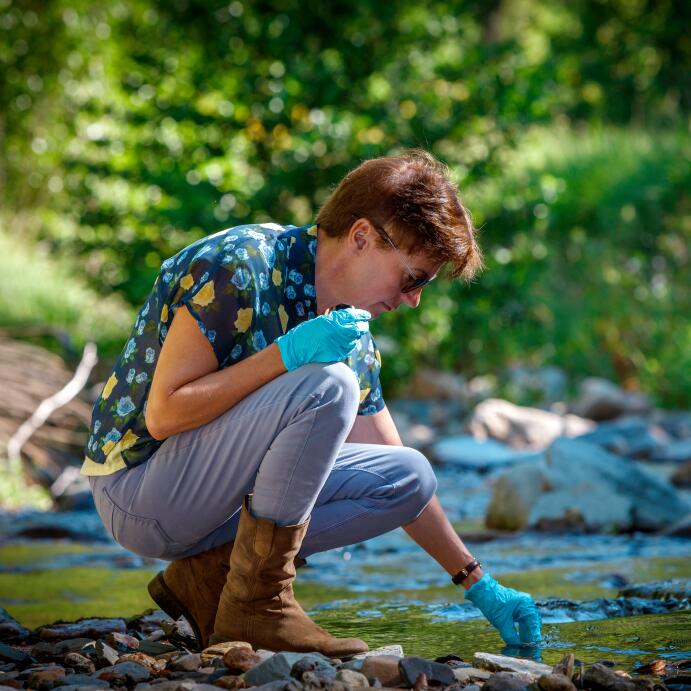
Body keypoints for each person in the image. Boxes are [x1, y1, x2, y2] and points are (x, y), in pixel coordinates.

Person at [82, 149, 541, 656]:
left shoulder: (351, 330)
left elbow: (394, 468)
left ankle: (212, 578)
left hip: (210, 507)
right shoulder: (239, 267)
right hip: (139, 491)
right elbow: (164, 414)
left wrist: (477, 582)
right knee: (331, 385)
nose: (414, 299)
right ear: (363, 236)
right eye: (415, 278)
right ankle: (260, 606)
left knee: (410, 476)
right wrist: (288, 355)